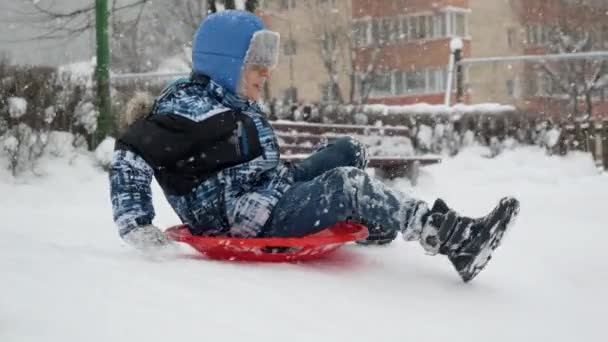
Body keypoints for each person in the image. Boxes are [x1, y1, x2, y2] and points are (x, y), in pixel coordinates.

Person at [110, 10, 520, 282]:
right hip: (243, 221)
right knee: (347, 184)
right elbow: (131, 153)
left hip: (269, 193)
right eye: (257, 62)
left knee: (347, 151)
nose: (266, 72)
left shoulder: (228, 99)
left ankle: (375, 227)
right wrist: (135, 224)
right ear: (225, 62)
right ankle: (452, 239)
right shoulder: (190, 108)